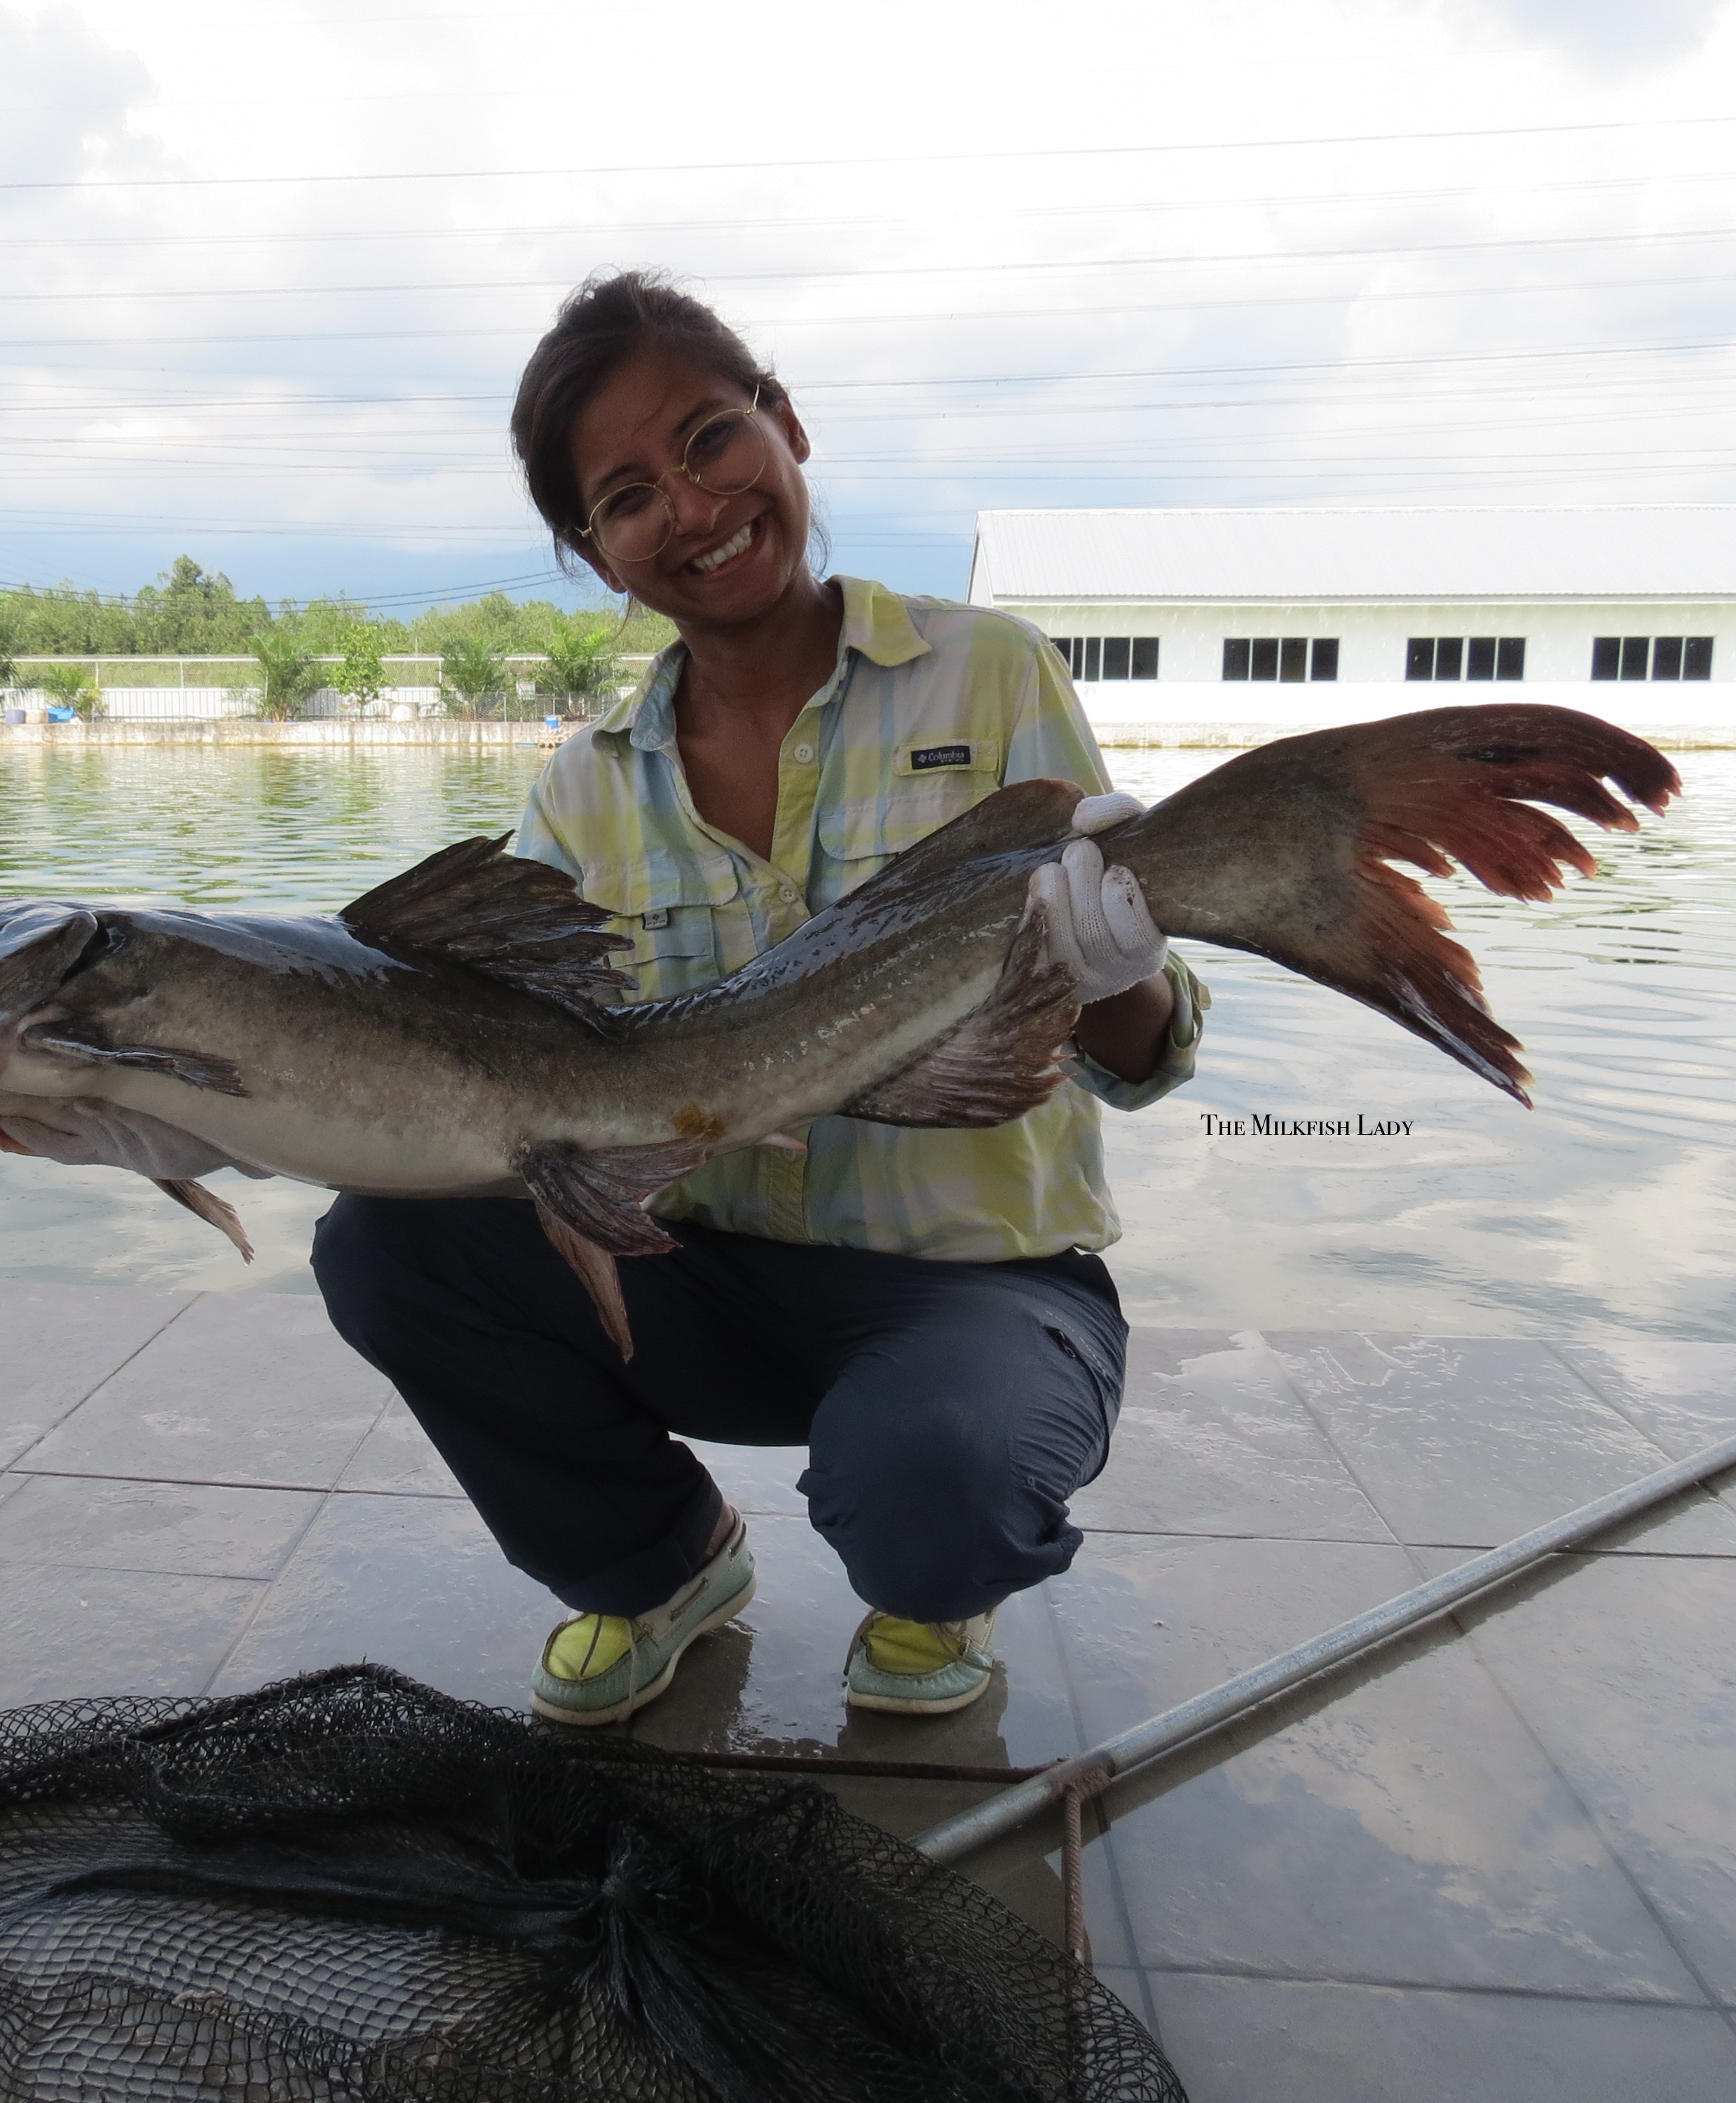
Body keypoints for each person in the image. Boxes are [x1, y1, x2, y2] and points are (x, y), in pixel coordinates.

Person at [312, 273, 1207, 1725]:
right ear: (594, 554)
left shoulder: (988, 673)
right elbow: (514, 1067)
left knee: (933, 1475)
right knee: (383, 1249)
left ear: (784, 429)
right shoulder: (583, 785)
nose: (689, 504)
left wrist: (1118, 973)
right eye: (622, 496)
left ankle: (932, 1584)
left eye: (708, 440)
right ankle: (660, 1568)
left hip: (974, 1284)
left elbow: (1140, 1059)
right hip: (696, 1275)